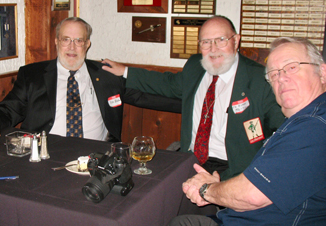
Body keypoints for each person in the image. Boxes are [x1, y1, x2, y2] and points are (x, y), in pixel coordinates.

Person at [102, 16, 284, 180]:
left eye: (221, 40)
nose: (213, 49)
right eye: (206, 42)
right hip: (192, 160)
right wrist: (125, 71)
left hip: (235, 169)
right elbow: (166, 83)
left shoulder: (260, 79)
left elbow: (284, 129)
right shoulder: (195, 67)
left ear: (236, 41)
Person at [168, 37, 326, 225]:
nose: (281, 78)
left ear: (322, 72)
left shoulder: (313, 125)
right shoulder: (303, 119)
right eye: (273, 74)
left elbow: (253, 195)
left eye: (292, 67)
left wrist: (206, 189)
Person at [0, 17, 179, 145]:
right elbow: (9, 109)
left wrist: (193, 103)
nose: (72, 47)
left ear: (87, 44)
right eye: (66, 39)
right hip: (45, 153)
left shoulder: (107, 74)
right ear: (56, 42)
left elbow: (145, 97)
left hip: (97, 154)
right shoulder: (33, 75)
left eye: (78, 40)